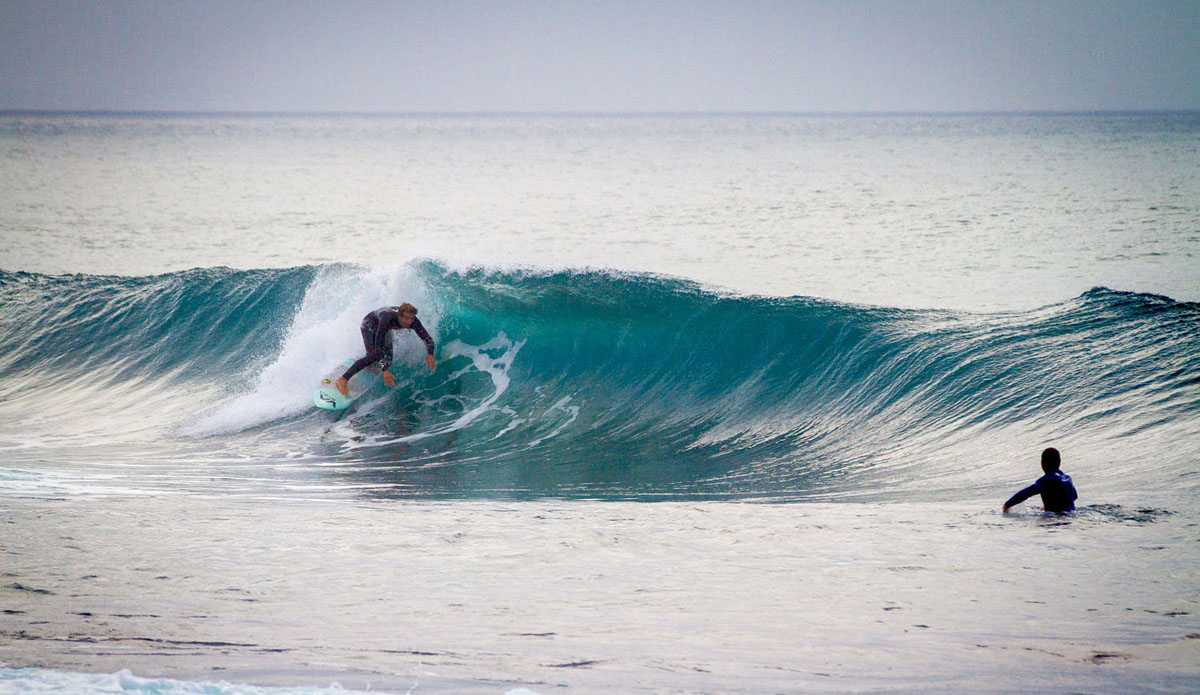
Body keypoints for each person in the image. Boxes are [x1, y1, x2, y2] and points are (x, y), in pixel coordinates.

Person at [335, 303, 436, 396]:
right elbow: (378, 346)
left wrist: (430, 354)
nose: (409, 322)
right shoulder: (387, 319)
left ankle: (370, 366)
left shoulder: (414, 322)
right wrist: (385, 371)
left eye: (411, 319)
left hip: (384, 328)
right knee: (373, 355)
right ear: (399, 316)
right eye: (406, 319)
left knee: (388, 359)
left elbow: (428, 339)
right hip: (370, 324)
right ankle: (343, 379)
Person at [1002, 447, 1078, 514]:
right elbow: (1074, 496)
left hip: (1057, 519)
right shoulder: (1067, 478)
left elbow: (1025, 493)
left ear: (1042, 463)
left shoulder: (1046, 480)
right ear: (1059, 462)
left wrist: (1007, 504)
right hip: (1071, 515)